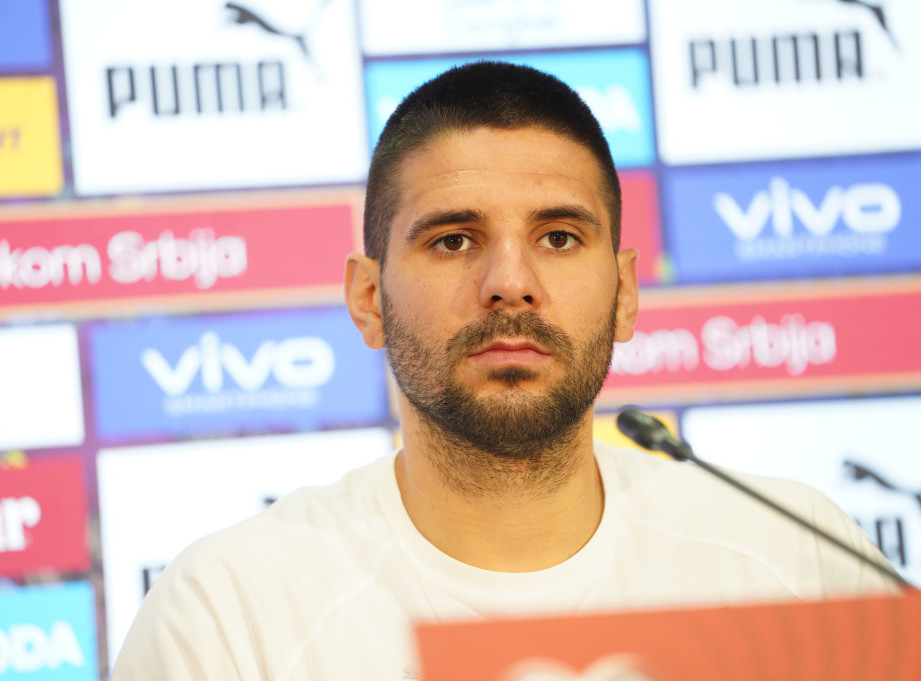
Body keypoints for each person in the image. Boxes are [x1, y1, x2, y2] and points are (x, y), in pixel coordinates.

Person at [110, 61, 897, 681]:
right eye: (453, 239)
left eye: (558, 237)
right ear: (368, 299)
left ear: (624, 293)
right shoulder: (228, 610)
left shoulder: (796, 555)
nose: (510, 282)